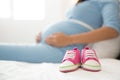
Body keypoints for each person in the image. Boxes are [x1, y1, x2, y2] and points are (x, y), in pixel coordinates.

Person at [0, 0, 120, 65]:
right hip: (54, 45)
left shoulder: (107, 1)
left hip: (66, 50)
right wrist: (45, 35)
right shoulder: (80, 3)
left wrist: (68, 39)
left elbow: (113, 30)